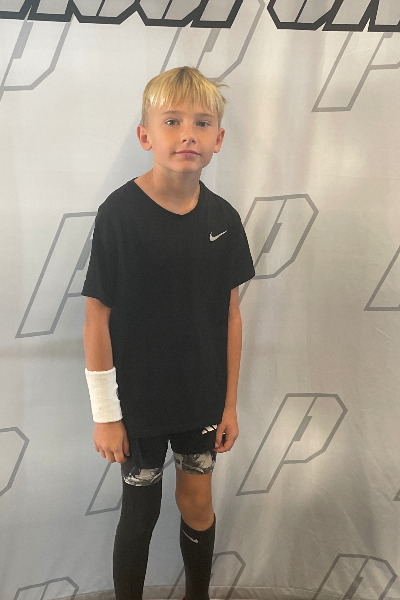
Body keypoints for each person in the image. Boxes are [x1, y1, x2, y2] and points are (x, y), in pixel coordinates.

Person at [81, 66, 255, 600]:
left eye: (202, 123)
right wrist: (106, 414)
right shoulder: (118, 214)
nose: (187, 134)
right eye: (172, 121)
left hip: (200, 398)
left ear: (218, 140)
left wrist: (229, 405)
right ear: (145, 135)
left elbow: (230, 316)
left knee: (197, 505)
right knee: (140, 512)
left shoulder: (224, 218)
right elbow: (96, 317)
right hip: (138, 404)